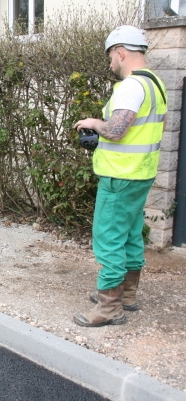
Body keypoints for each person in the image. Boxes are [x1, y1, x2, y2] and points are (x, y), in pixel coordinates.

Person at [72, 26, 167, 327]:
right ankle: (127, 294)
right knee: (129, 233)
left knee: (109, 238)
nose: (111, 64)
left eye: (111, 57)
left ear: (120, 52)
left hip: (120, 176)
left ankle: (109, 308)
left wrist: (93, 122)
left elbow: (116, 129)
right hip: (141, 173)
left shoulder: (131, 86)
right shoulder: (156, 84)